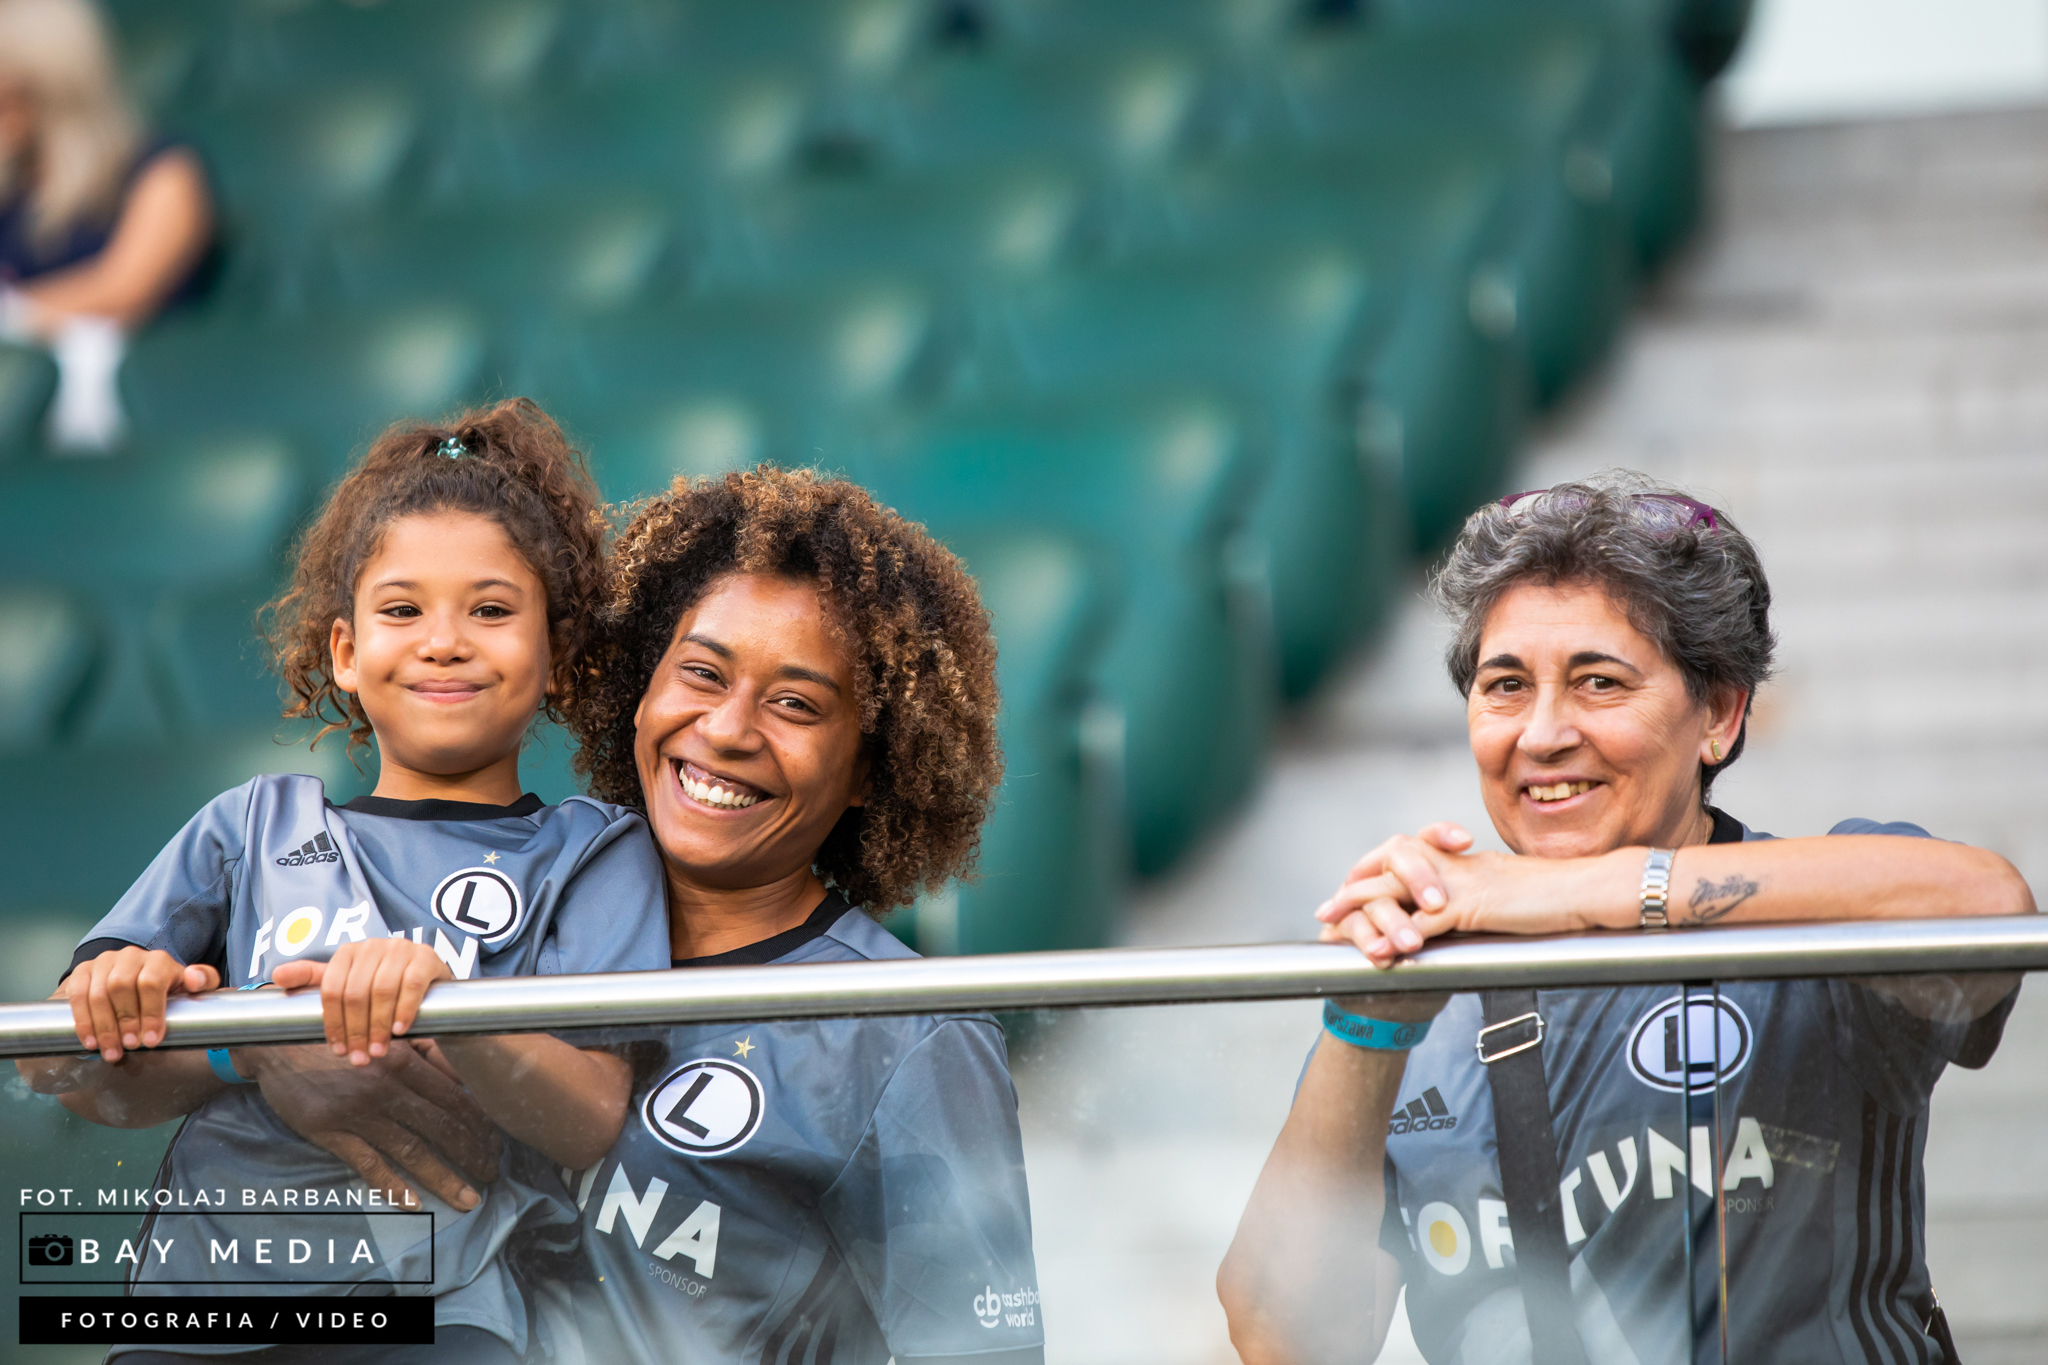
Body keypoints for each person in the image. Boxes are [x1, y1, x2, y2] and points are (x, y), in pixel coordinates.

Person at [1217, 474, 2033, 1365]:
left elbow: (1990, 907)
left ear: (1719, 712)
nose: (1542, 734)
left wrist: (1591, 891)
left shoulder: (1821, 908)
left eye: (1599, 682)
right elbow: (1283, 1341)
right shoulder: (1420, 978)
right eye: (1505, 685)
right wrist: (1366, 1021)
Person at [16, 399, 670, 1363]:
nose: (443, 641)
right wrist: (213, 1031)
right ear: (346, 653)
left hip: (445, 1319)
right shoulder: (250, 826)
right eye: (402, 610)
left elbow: (592, 1119)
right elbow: (60, 1067)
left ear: (559, 658)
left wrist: (447, 1010)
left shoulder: (595, 851)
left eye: (491, 610)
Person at [536, 466, 1045, 1365]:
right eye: (702, 673)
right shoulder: (535, 909)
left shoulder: (906, 1034)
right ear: (641, 690)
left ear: (867, 772)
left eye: (796, 704)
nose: (728, 729)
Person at [0, 0, 213, 449]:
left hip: (125, 412)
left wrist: (15, 314)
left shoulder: (163, 172)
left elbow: (123, 289)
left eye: (7, 98)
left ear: (50, 85)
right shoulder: (12, 190)